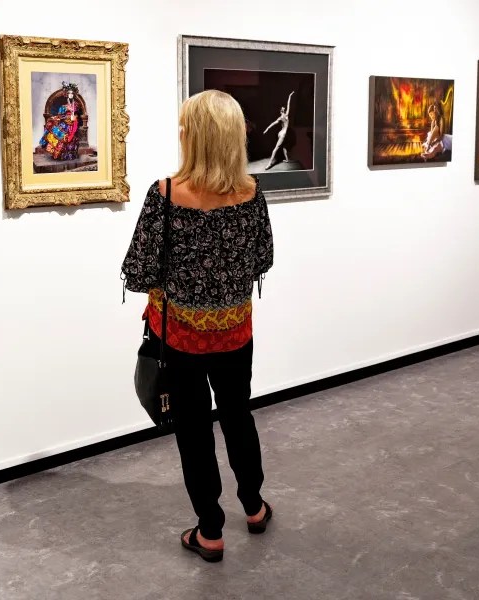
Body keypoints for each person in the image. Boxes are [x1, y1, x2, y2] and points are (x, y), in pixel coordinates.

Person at [121, 89, 274, 563]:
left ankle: (210, 531)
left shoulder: (165, 194)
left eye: (184, 126)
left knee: (193, 431)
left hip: (180, 339)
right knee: (238, 415)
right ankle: (254, 506)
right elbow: (263, 260)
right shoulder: (252, 193)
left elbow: (138, 272)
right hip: (235, 333)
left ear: (194, 137)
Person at [38, 88, 82, 161]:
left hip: (73, 123)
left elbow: (78, 115)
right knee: (60, 135)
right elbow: (60, 115)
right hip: (65, 124)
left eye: (72, 93)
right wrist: (67, 117)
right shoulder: (63, 107)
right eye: (69, 93)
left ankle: (70, 155)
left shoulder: (76, 105)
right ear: (67, 95)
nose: (71, 95)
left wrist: (74, 118)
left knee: (72, 139)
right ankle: (60, 155)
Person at [262, 91, 295, 169]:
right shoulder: (286, 116)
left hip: (281, 133)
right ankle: (269, 164)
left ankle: (287, 160)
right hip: (282, 134)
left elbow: (273, 124)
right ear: (282, 111)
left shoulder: (280, 117)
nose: (284, 109)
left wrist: (267, 129)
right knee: (276, 149)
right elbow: (288, 104)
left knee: (283, 147)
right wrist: (290, 96)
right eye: (283, 109)